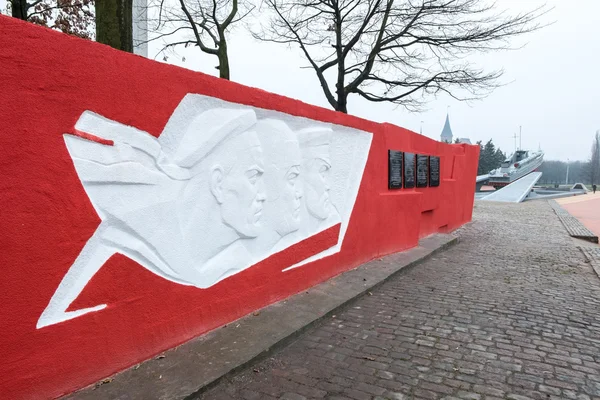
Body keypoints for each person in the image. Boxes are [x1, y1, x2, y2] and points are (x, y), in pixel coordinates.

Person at [38, 95, 267, 328]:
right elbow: (110, 236)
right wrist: (53, 314)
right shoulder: (148, 231)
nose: (264, 195)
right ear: (218, 183)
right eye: (254, 176)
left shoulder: (234, 258)